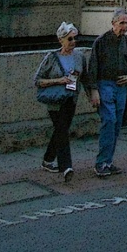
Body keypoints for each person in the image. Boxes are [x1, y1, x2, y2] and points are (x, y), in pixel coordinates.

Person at [33, 22, 92, 182]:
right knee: (62, 132)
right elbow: (38, 80)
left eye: (75, 39)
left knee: (61, 130)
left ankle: (47, 159)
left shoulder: (79, 57)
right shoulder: (51, 57)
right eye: (70, 39)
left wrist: (92, 94)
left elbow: (85, 77)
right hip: (55, 101)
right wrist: (59, 80)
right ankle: (66, 166)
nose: (73, 42)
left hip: (70, 99)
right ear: (61, 40)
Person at [90, 9, 127, 177]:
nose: (124, 27)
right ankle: (101, 162)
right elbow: (93, 65)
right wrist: (94, 90)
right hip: (105, 84)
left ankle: (108, 161)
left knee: (116, 124)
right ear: (113, 23)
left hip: (121, 85)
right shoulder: (101, 41)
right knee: (109, 120)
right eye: (121, 23)